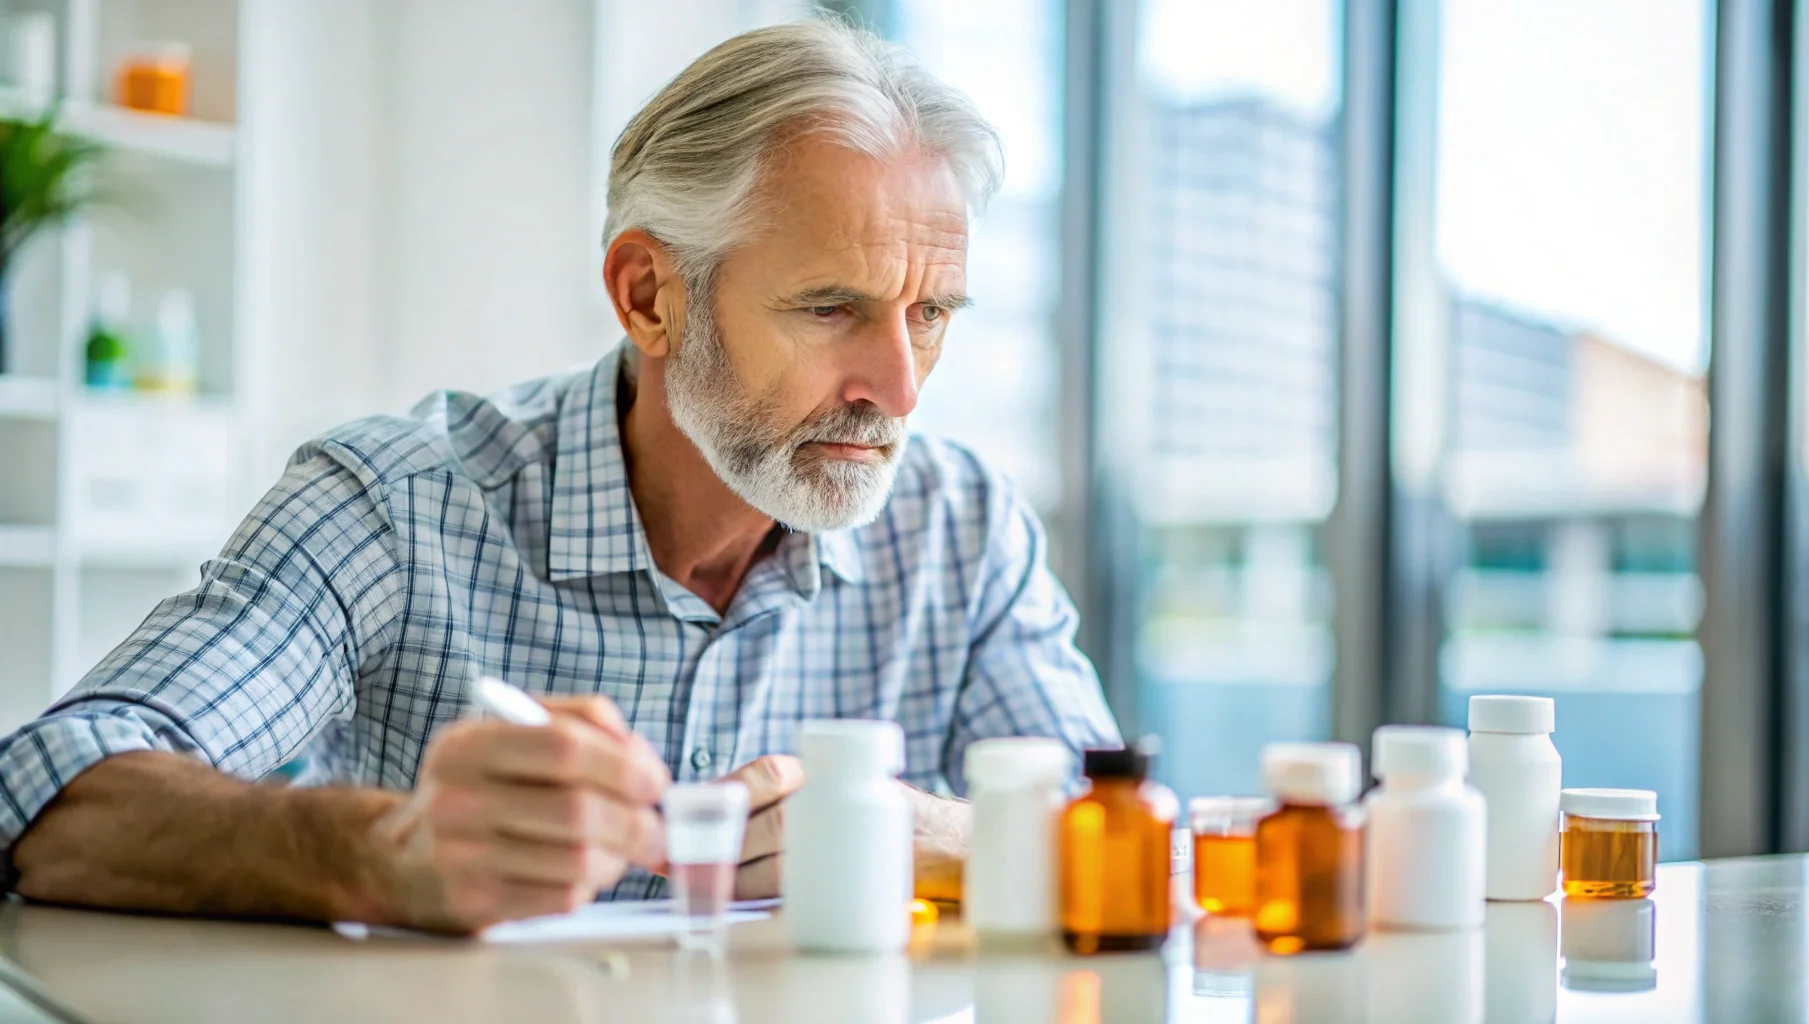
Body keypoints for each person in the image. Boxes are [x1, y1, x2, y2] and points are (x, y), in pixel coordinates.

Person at [0, 19, 1118, 934]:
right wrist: (383, 850)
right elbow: (49, 794)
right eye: (831, 308)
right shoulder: (396, 505)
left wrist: (934, 836)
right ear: (647, 296)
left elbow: (1116, 844)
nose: (900, 387)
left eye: (928, 315)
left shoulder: (961, 527)